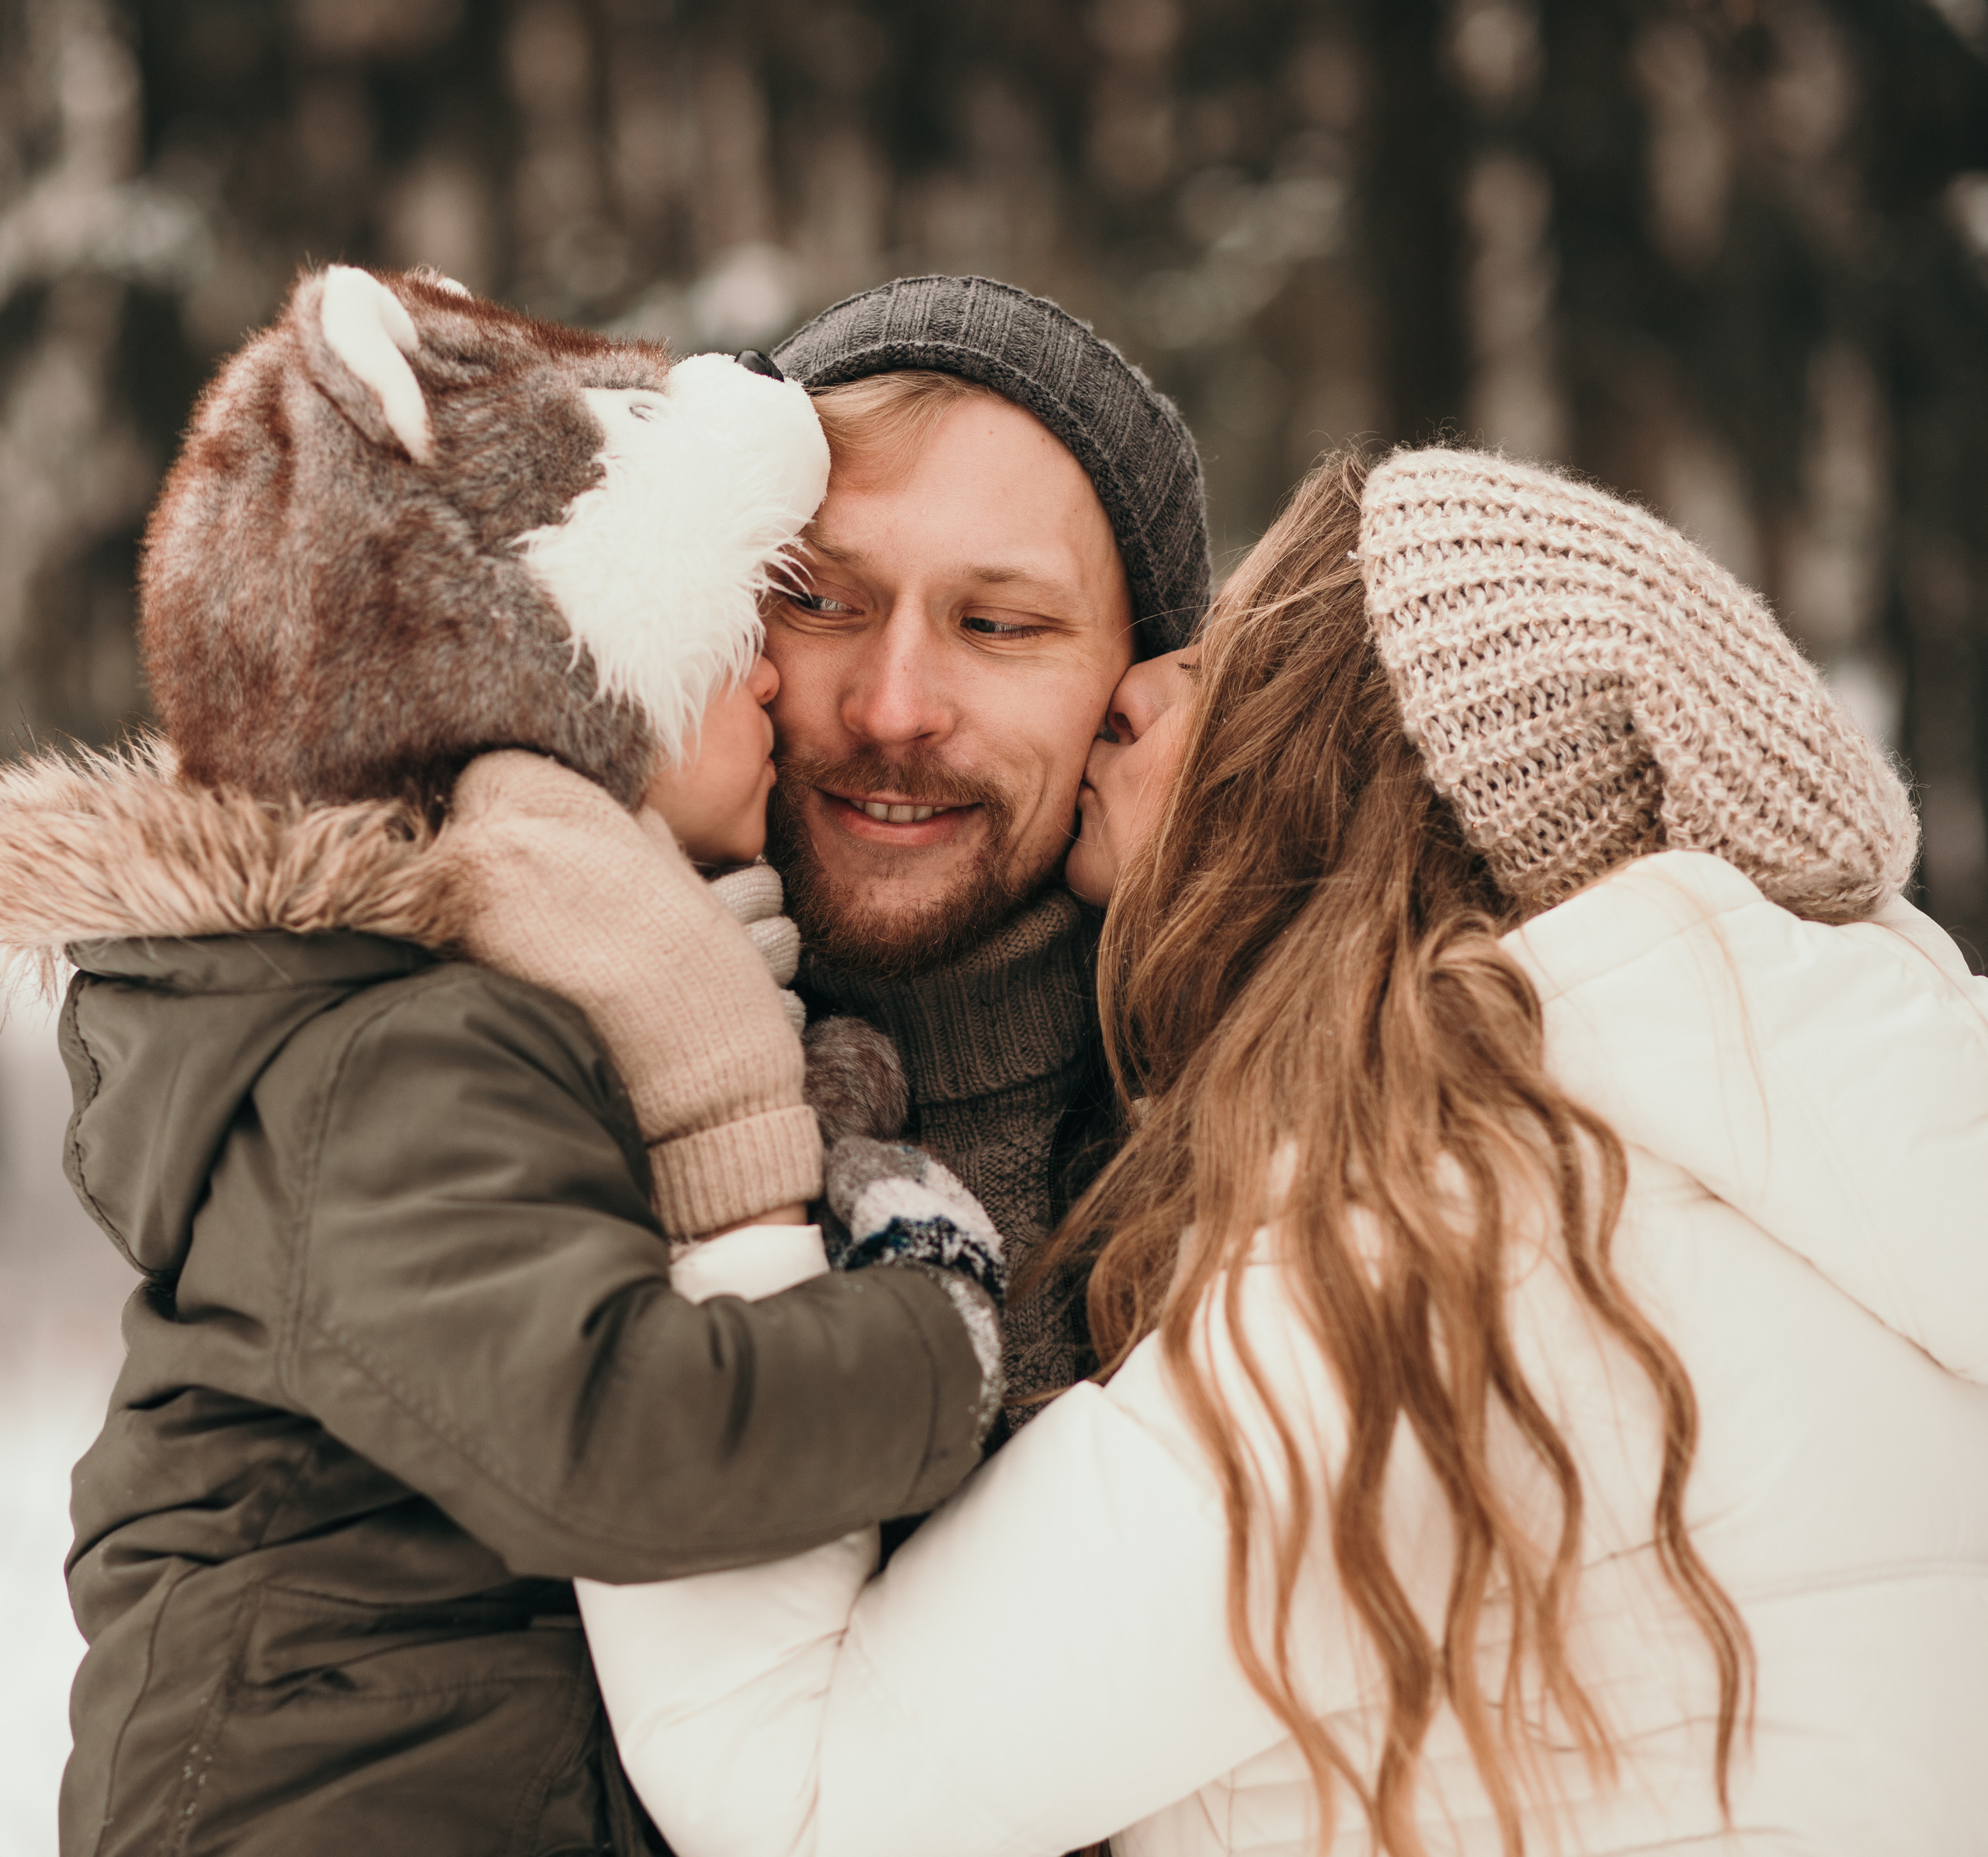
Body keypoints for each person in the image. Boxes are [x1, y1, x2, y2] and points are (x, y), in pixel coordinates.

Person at [575, 447, 1988, 1854]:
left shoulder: (1434, 1270)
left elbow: (797, 1789)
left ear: (1350, 790)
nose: (1146, 686)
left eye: (1238, 664)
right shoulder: (1774, 1176)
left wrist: (706, 1106)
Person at [0, 269, 1006, 1855]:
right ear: (540, 672)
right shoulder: (391, 1049)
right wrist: (939, 1341)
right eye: (731, 613)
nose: (773, 676)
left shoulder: (525, 996)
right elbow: (616, 1439)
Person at [763, 276, 1211, 1421]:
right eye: (818, 602)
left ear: (1135, 687)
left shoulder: (1280, 1154)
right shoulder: (532, 1088)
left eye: (1000, 626)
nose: (893, 708)